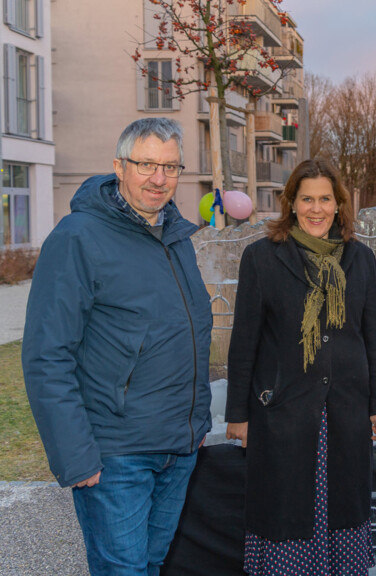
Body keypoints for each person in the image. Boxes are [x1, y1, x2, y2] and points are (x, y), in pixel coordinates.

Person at [22, 117, 213, 575]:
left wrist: (197, 421)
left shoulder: (175, 238)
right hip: (115, 453)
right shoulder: (77, 238)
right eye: (145, 164)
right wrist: (75, 455)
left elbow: (188, 333)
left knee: (149, 565)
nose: (158, 178)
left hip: (178, 447)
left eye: (170, 167)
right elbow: (47, 355)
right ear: (119, 166)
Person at [225, 158, 376, 576]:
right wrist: (238, 415)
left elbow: (374, 337)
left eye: (325, 199)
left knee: (341, 512)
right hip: (282, 412)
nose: (316, 209)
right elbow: (243, 342)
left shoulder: (361, 259)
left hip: (346, 411)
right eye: (307, 199)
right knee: (287, 513)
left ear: (339, 205)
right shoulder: (262, 258)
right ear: (291, 203)